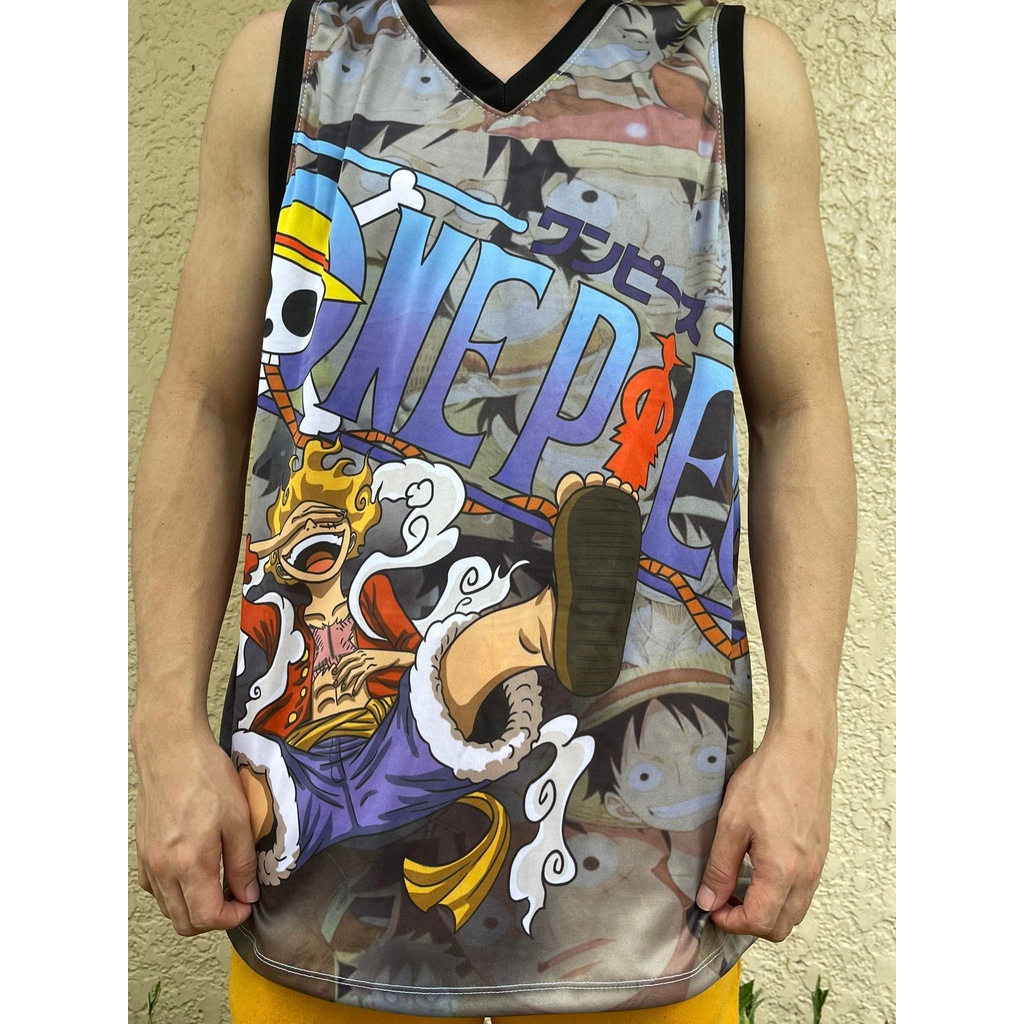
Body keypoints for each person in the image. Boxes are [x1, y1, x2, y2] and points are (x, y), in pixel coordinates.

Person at [129, 2, 856, 1022]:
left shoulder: (731, 71)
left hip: (645, 904)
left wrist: (806, 738)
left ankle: (538, 630)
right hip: (311, 891)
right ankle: (530, 634)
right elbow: (203, 405)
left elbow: (797, 414)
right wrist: (164, 729)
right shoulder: (292, 61)